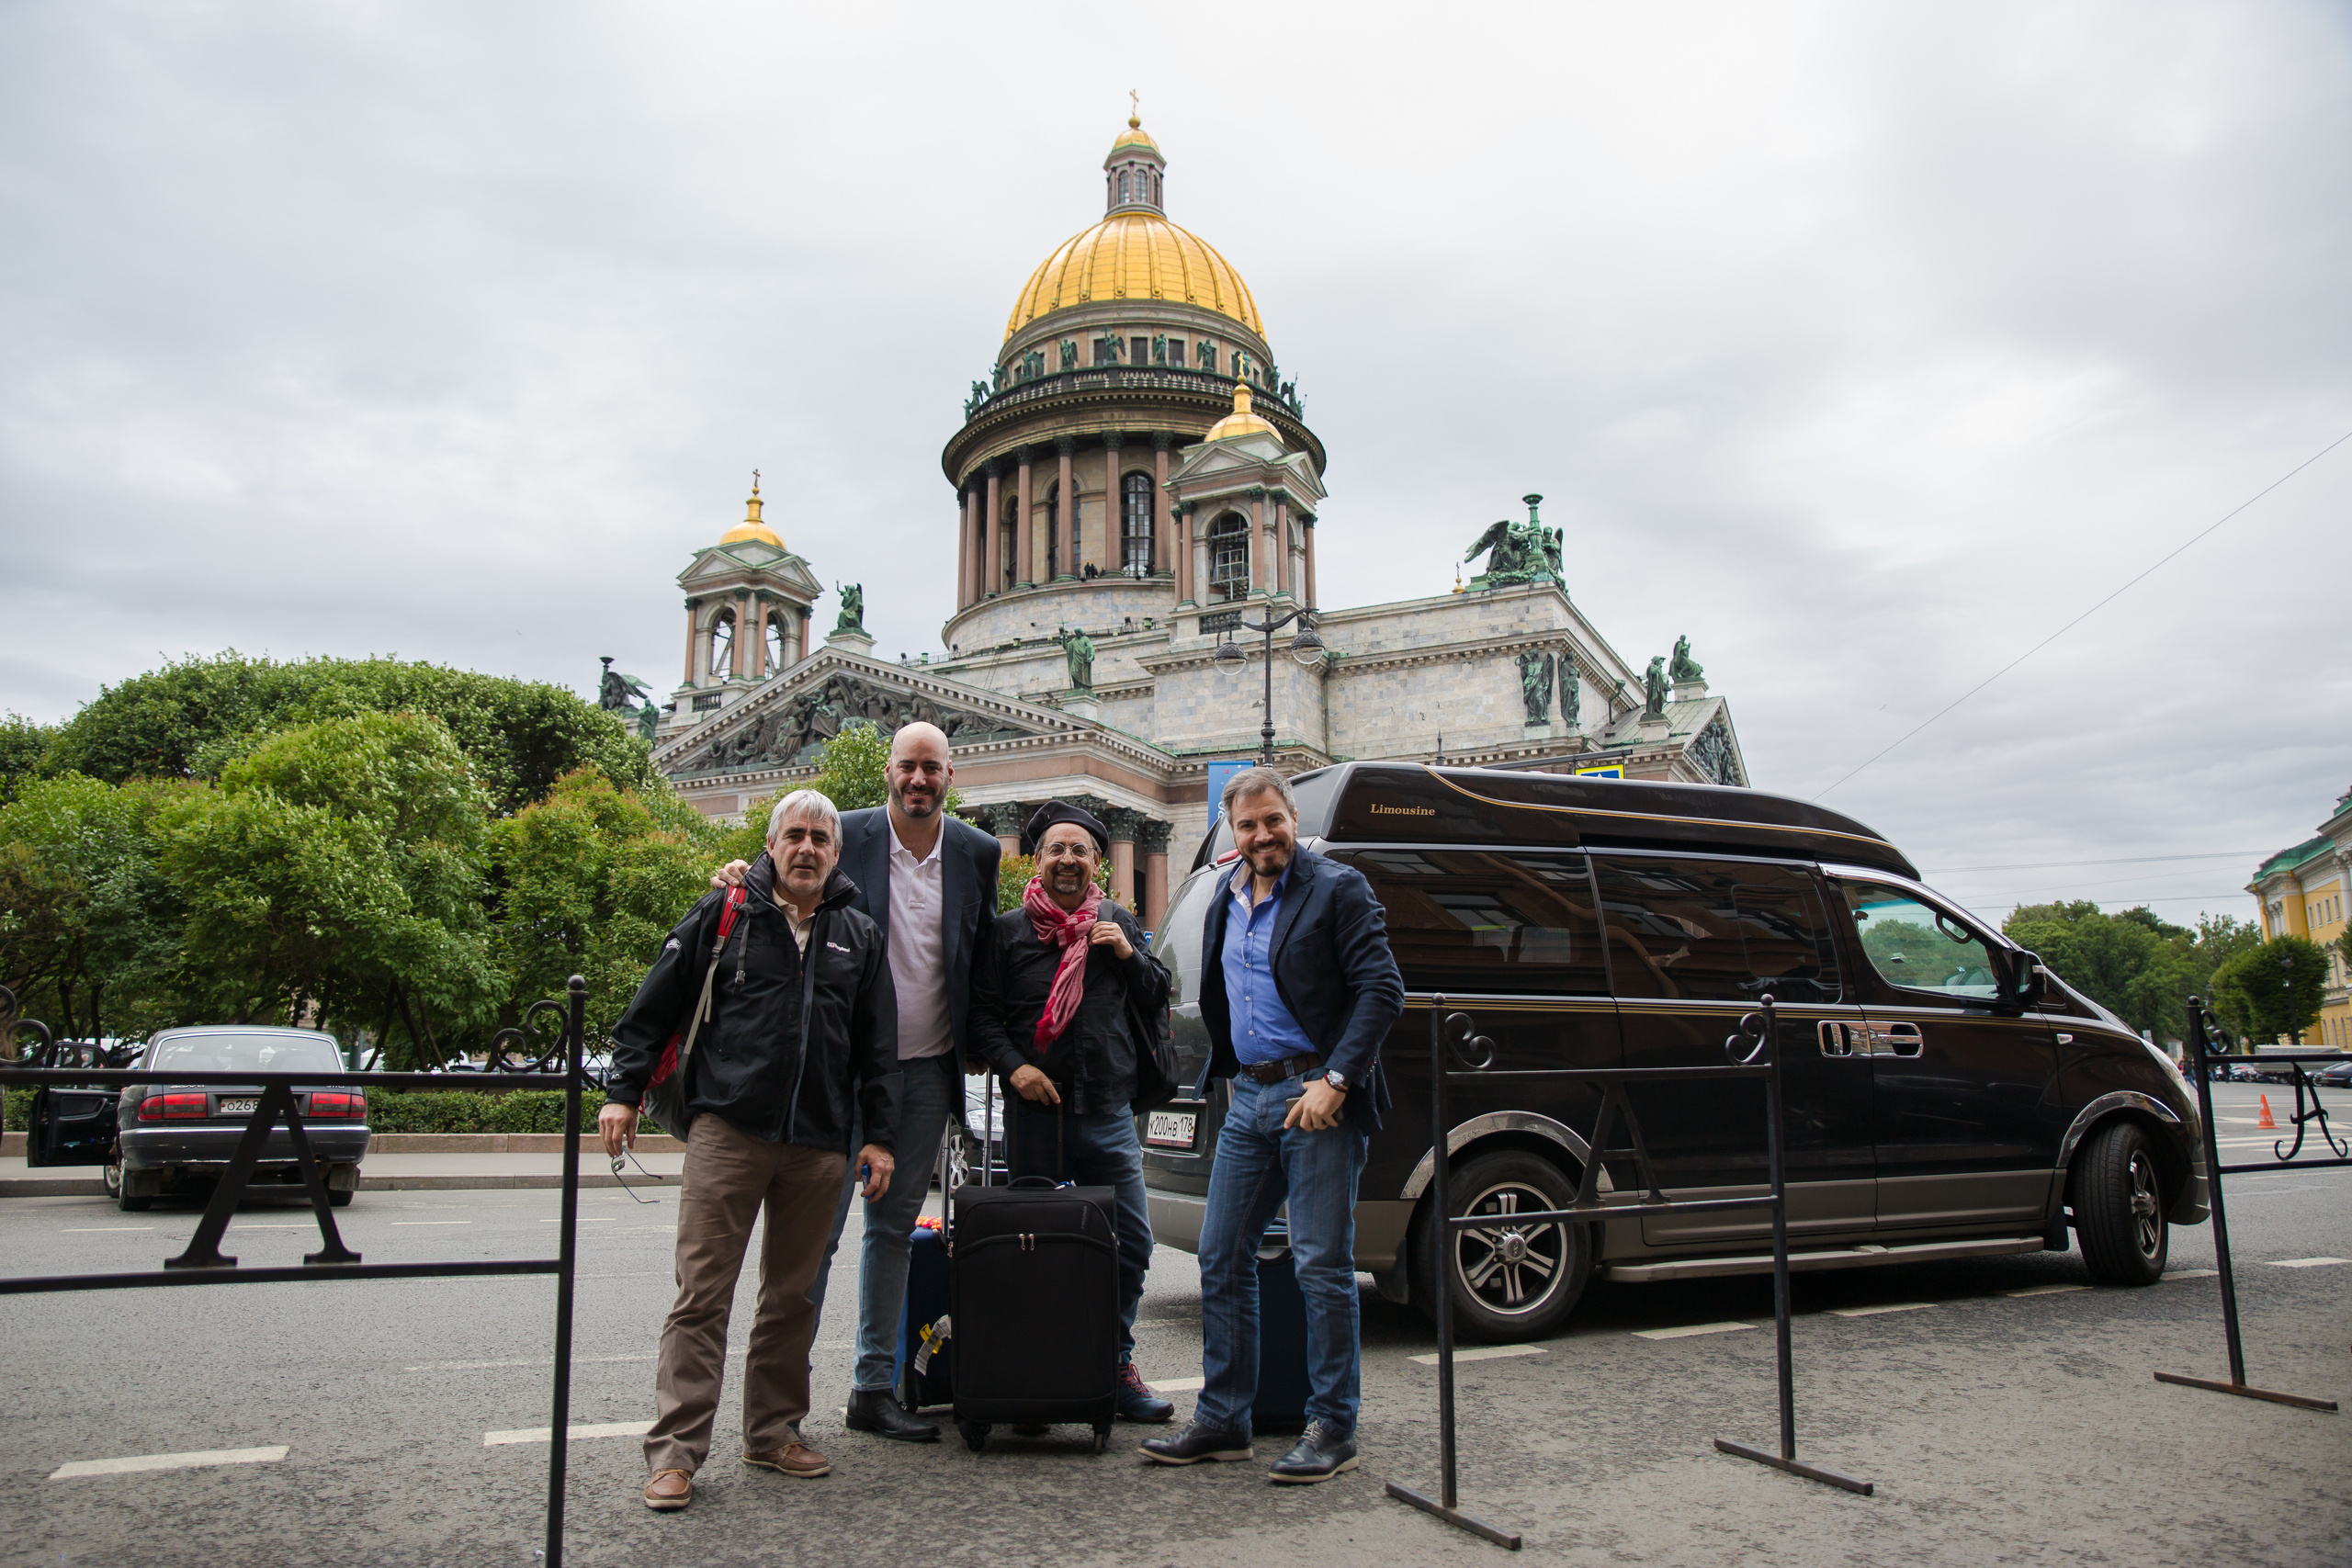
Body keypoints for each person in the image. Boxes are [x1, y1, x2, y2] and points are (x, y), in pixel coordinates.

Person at [601, 789, 899, 1512]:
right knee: (702, 1295)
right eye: (794, 835)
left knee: (791, 1298)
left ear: (836, 853)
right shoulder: (724, 913)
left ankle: (772, 1431)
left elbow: (877, 1048)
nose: (806, 849)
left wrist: (880, 1136)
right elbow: (654, 1006)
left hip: (819, 1142)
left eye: (820, 840)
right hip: (728, 1131)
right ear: (771, 845)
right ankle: (675, 1454)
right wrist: (622, 1089)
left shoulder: (857, 934)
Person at [713, 720, 1001, 1443]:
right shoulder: (840, 832)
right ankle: (780, 1406)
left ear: (949, 777)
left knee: (894, 1230)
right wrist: (733, 877)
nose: (918, 779)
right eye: (908, 766)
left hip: (930, 1069)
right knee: (816, 1238)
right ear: (888, 771)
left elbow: (977, 954)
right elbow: (773, 881)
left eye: (931, 768)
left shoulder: (978, 852)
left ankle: (873, 1387)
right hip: (839, 1073)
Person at [1141, 765, 1403, 1483]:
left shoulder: (1338, 887)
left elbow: (1383, 988)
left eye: (1272, 820)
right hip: (1248, 1102)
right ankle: (1224, 1418)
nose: (1262, 835)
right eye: (1248, 825)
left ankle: (1333, 1425)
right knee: (1222, 1255)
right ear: (1234, 831)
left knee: (1321, 1264)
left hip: (1317, 1096)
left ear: (1292, 818)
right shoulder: (1225, 894)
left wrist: (1336, 1079)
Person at [968, 801, 1176, 1424]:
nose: (1068, 859)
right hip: (1036, 1115)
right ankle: (1040, 1366)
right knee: (1033, 1248)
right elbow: (981, 1016)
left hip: (1107, 1110)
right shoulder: (1007, 931)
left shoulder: (1116, 920)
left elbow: (1160, 989)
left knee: (1132, 1242)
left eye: (1080, 850)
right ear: (1038, 859)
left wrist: (1129, 955)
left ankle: (1113, 1361)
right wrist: (1015, 1066)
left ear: (1096, 863)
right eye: (1057, 849)